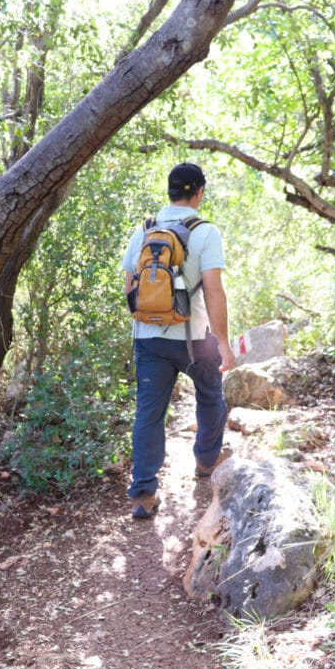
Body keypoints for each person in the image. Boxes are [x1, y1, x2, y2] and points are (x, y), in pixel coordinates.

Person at [121, 162, 235, 519]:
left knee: (149, 413)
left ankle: (142, 495)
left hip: (148, 338)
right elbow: (214, 292)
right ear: (199, 193)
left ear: (169, 191)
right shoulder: (205, 232)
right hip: (192, 338)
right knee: (210, 392)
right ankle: (206, 460)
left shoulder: (144, 231)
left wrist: (154, 322)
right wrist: (224, 342)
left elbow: (129, 290)